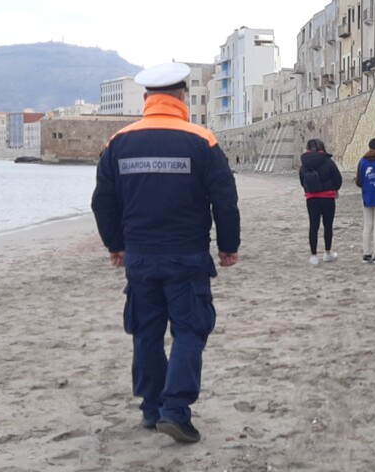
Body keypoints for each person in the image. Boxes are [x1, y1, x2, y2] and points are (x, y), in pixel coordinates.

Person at [91, 62, 240, 444]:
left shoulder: (118, 142)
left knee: (146, 331)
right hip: (187, 256)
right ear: (182, 98)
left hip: (140, 257)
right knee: (190, 329)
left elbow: (103, 202)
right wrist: (228, 246)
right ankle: (175, 410)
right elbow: (224, 200)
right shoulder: (201, 140)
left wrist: (116, 245)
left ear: (147, 100)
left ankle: (151, 409)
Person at [300, 138, 343, 264]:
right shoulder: (328, 162)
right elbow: (338, 179)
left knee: (313, 225)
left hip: (311, 198)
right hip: (328, 197)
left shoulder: (304, 164)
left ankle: (313, 256)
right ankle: (327, 253)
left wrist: (309, 190)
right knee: (327, 225)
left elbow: (302, 181)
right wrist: (334, 189)